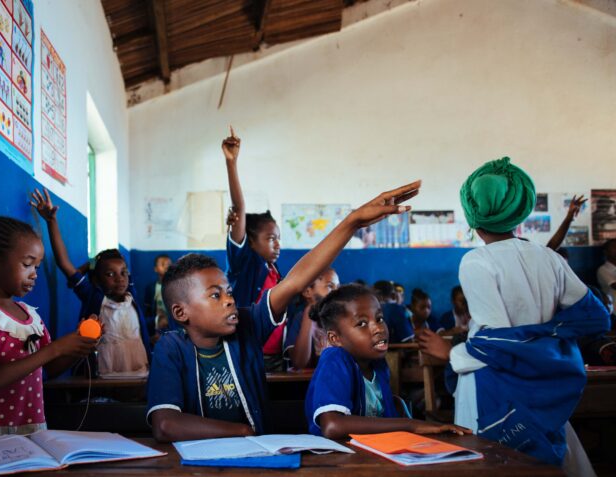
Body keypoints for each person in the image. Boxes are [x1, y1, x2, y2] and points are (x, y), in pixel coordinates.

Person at [418, 157, 612, 477]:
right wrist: (545, 337)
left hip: (495, 396)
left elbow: (498, 343)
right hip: (544, 394)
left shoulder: (477, 262)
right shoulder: (548, 259)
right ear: (523, 209)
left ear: (472, 213)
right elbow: (593, 316)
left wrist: (453, 351)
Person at [147, 181, 423, 442]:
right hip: (196, 464)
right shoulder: (171, 349)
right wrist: (241, 431)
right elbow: (165, 423)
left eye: (229, 292)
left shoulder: (247, 325)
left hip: (259, 459)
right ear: (181, 313)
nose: (229, 300)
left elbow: (296, 281)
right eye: (215, 296)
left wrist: (352, 222)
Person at [0, 217, 98, 441]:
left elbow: (48, 369)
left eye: (37, 267)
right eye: (27, 264)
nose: (34, 274)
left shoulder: (29, 314)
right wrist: (55, 349)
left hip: (33, 429)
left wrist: (78, 345)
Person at [304, 284, 469, 439]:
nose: (378, 328)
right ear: (335, 338)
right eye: (362, 323)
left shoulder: (378, 365)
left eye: (379, 318)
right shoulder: (334, 360)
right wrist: (410, 425)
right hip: (336, 462)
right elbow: (333, 425)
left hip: (372, 455)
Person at [31, 188, 152, 375]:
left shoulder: (131, 295)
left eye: (123, 273)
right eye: (110, 275)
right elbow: (65, 264)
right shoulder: (93, 296)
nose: (120, 279)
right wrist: (51, 221)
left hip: (138, 373)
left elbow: (120, 272)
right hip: (103, 375)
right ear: (96, 279)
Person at [222, 127, 286, 370]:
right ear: (250, 241)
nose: (277, 244)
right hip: (249, 356)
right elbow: (239, 209)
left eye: (278, 238)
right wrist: (232, 163)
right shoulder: (244, 263)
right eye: (271, 238)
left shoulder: (275, 270)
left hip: (277, 359)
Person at [284, 267, 339, 370]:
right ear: (307, 292)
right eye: (330, 286)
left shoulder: (338, 320)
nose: (336, 293)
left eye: (337, 287)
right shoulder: (298, 319)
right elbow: (300, 363)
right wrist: (309, 313)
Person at [143, 254, 172, 340]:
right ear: (155, 269)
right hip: (156, 328)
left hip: (173, 327)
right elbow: (147, 312)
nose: (167, 267)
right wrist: (155, 322)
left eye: (169, 265)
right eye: (163, 264)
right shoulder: (151, 288)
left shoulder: (176, 287)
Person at [597, 238, 616, 314]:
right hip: (614, 312)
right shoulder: (603, 270)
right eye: (614, 247)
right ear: (606, 252)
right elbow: (614, 285)